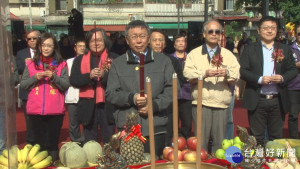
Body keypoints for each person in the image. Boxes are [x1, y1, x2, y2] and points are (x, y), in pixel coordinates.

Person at [106, 20, 174, 157]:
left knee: (154, 162)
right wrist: (133, 98)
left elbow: (172, 89)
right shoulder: (118, 64)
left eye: (142, 36)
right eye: (134, 36)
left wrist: (153, 105)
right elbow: (111, 93)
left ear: (148, 38)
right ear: (127, 40)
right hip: (128, 126)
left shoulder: (163, 61)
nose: (138, 41)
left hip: (155, 125)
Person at [183, 19, 240, 152]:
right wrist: (205, 73)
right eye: (210, 31)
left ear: (220, 34)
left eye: (217, 32)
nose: (214, 34)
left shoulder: (228, 54)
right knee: (200, 143)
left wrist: (227, 73)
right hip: (201, 103)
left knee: (220, 144)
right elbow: (188, 74)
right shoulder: (194, 54)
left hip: (221, 103)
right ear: (204, 34)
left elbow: (236, 74)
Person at [239, 16, 297, 146]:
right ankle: (259, 164)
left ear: (277, 31)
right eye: (266, 28)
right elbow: (243, 71)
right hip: (257, 99)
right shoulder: (250, 49)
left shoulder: (285, 49)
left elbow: (293, 70)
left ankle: (274, 164)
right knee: (256, 138)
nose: (269, 31)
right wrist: (259, 79)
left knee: (276, 139)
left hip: (278, 100)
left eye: (273, 28)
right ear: (259, 30)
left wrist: (282, 77)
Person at [20, 32, 70, 161]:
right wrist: (34, 78)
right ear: (38, 47)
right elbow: (24, 84)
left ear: (54, 47)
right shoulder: (31, 64)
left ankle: (53, 162)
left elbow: (65, 85)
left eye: (49, 45)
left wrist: (54, 77)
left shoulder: (62, 64)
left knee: (52, 144)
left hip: (55, 111)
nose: (46, 48)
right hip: (35, 111)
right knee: (39, 144)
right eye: (43, 45)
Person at [70, 28, 116, 144]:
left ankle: (109, 159)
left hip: (108, 103)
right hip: (88, 104)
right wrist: (89, 76)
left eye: (99, 40)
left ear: (105, 41)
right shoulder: (80, 60)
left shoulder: (114, 58)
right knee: (90, 141)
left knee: (109, 139)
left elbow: (120, 80)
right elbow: (74, 80)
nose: (96, 43)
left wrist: (105, 76)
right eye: (92, 41)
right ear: (87, 43)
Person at [15, 29, 40, 145]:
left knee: (41, 118)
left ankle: (42, 140)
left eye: (34, 38)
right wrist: (26, 65)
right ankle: (30, 142)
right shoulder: (21, 53)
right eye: (29, 39)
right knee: (29, 119)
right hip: (27, 91)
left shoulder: (44, 51)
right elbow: (17, 69)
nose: (32, 41)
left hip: (41, 90)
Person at [65, 38, 86, 144]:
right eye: (80, 46)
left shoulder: (89, 61)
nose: (82, 48)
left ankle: (86, 141)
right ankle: (75, 141)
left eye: (84, 46)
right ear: (75, 48)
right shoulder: (69, 62)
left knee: (87, 121)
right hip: (72, 95)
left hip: (86, 95)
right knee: (74, 122)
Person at [288, 24, 300, 139]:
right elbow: (286, 65)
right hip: (294, 87)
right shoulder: (289, 49)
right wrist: (296, 65)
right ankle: (294, 140)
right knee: (293, 115)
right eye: (299, 33)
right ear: (295, 34)